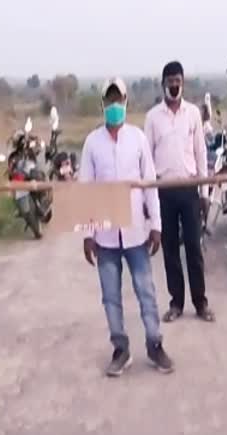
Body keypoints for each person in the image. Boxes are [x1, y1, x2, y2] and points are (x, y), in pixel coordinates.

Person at [78, 77, 174, 376]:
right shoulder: (92, 142)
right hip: (105, 233)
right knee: (110, 295)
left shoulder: (138, 139)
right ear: (102, 104)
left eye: (118, 99)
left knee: (146, 289)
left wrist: (156, 225)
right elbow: (86, 190)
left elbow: (149, 185)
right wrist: (87, 234)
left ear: (126, 101)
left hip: (135, 231)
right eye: (109, 100)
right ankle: (120, 348)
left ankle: (155, 344)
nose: (114, 105)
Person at [144, 61, 214, 323]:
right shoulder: (153, 117)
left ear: (183, 83)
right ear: (163, 83)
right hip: (164, 191)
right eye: (170, 80)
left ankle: (201, 303)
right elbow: (146, 160)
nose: (174, 85)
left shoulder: (193, 114)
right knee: (170, 249)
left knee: (194, 248)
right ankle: (176, 303)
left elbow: (201, 152)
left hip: (189, 189)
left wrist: (204, 193)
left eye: (178, 80)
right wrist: (147, 199)